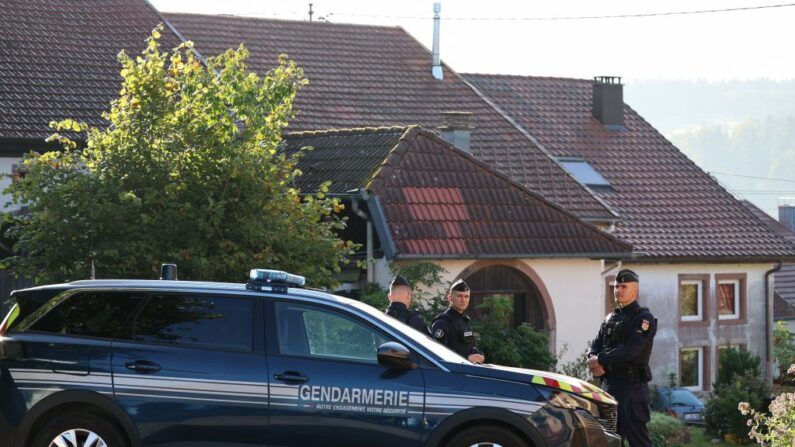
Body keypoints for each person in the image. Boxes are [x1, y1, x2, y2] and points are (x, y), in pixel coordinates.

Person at [587, 269, 657, 447]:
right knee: (608, 441)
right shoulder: (611, 317)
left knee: (638, 442)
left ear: (635, 291)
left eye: (624, 286)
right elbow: (595, 345)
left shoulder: (644, 319)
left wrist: (601, 359)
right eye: (616, 286)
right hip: (609, 388)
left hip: (632, 391)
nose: (618, 290)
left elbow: (630, 352)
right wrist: (593, 360)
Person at [431, 279, 485, 364]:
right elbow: (438, 353)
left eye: (466, 296)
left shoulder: (464, 320)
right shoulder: (442, 323)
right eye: (459, 296)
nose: (463, 300)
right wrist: (466, 358)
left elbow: (469, 347)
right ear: (450, 298)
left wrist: (480, 355)